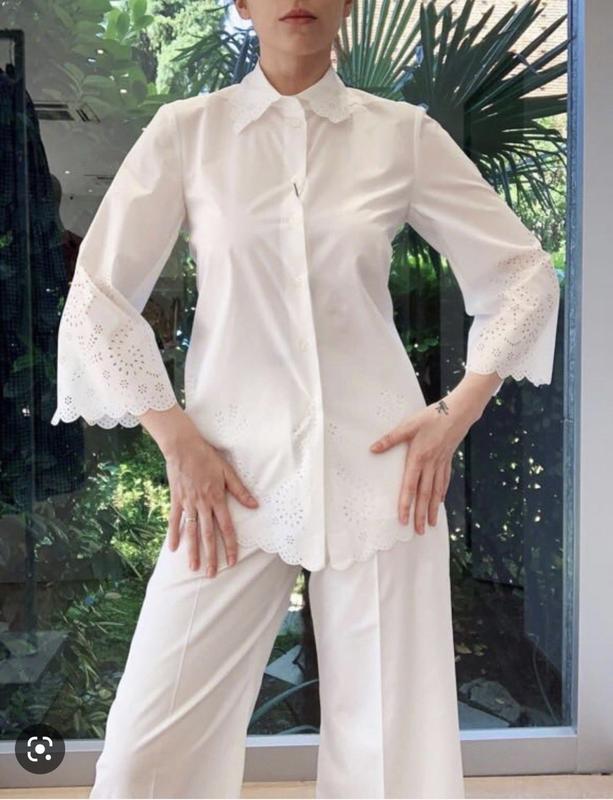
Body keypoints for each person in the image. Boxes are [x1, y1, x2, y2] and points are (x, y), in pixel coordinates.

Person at [51, 0, 560, 797]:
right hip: (227, 470)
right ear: (242, 5)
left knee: (389, 750)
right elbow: (98, 300)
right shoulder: (189, 132)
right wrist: (177, 439)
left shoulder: (400, 135)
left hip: (384, 469)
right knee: (150, 741)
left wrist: (453, 413)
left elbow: (522, 274)